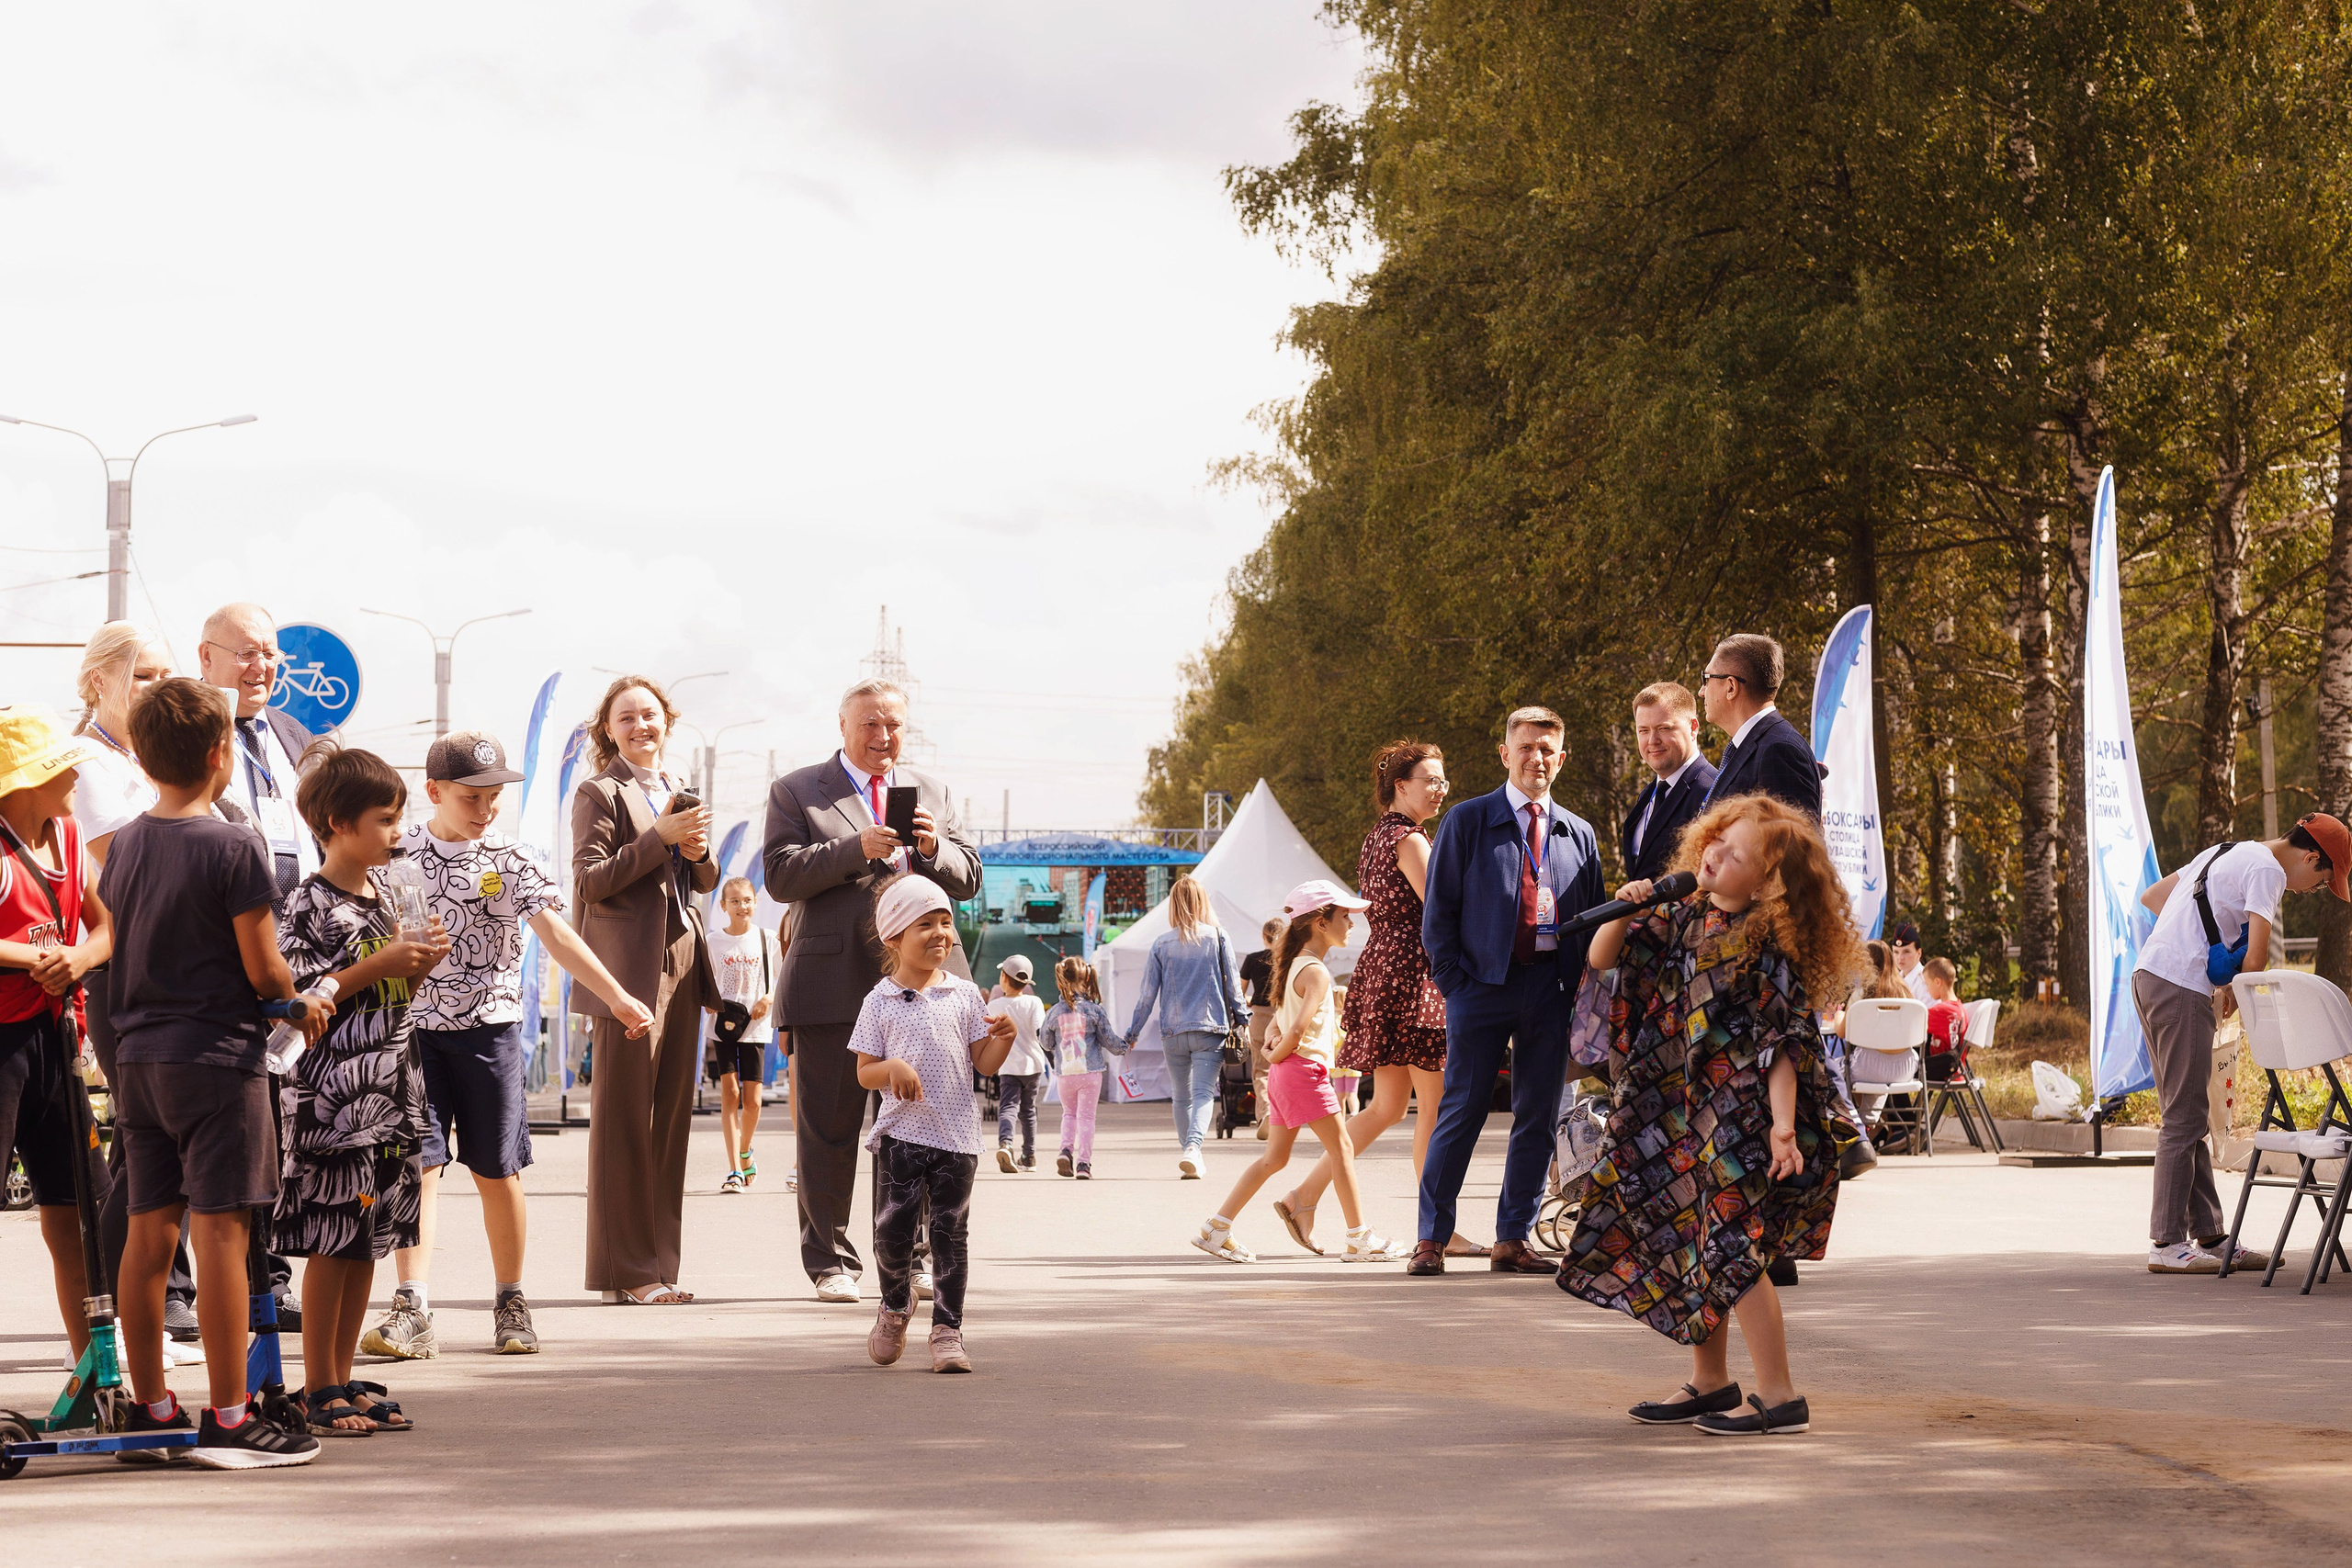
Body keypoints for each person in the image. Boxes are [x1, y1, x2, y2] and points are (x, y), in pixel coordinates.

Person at [1561, 794, 1863, 1437]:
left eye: (1735, 855)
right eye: (1716, 842)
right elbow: (1603, 957)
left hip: (1739, 1117)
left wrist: (1783, 1128)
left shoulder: (1768, 946)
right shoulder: (1683, 913)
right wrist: (1628, 904)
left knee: (1731, 1245)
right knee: (1692, 1238)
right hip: (1679, 1107)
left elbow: (1783, 1044)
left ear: (1769, 883)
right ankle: (1710, 1381)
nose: (1715, 856)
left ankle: (1780, 1396)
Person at [363, 730, 653, 1361]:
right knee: (419, 1167)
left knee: (498, 1170)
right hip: (414, 1035)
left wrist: (616, 996)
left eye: (494, 795)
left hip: (490, 1032)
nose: (485, 808)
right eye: (471, 796)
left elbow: (558, 935)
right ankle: (412, 1305)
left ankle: (511, 1300)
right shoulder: (398, 857)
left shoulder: (514, 858)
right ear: (434, 790)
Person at [104, 676, 324, 1468]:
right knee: (223, 1232)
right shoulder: (234, 845)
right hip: (217, 1059)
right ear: (221, 753)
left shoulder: (126, 842)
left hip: (138, 1057)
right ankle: (229, 1415)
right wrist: (300, 999)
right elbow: (264, 969)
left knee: (148, 1232)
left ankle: (149, 1408)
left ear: (142, 755)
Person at [763, 678, 981, 1303]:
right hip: (831, 985)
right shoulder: (797, 790)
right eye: (870, 724)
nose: (883, 736)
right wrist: (852, 848)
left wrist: (934, 849)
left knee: (922, 1130)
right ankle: (830, 1260)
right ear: (843, 725)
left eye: (894, 725)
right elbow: (779, 875)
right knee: (828, 1133)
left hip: (924, 991)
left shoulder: (932, 792)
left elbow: (969, 876)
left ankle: (913, 1256)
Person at [271, 747, 448, 1436]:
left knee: (367, 1240)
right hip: (335, 1102)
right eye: (385, 819)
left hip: (392, 1092)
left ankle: (341, 1377)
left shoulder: (386, 895)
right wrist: (382, 962)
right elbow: (303, 995)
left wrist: (418, 964)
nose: (398, 832)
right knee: (332, 1241)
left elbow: (395, 992)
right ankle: (318, 1385)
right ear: (338, 824)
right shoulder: (309, 901)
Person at [1411, 705, 1604, 1276]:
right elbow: (1438, 913)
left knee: (1538, 1116)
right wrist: (1456, 984)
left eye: (1547, 750)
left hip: (1551, 990)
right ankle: (1431, 1239)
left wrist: (1579, 992)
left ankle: (1512, 1239)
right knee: (1461, 1111)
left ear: (1561, 759)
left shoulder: (1578, 833)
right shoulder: (1467, 821)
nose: (1536, 759)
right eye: (1525, 747)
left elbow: (1593, 920)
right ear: (1505, 754)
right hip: (1480, 988)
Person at [64, 624, 199, 1359]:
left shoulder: (142, 760)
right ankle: (105, 1323)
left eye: (167, 674)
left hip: (166, 969)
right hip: (123, 970)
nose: (160, 688)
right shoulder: (89, 762)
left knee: (153, 1149)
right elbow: (127, 866)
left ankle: (129, 1317)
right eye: (144, 675)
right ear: (100, 682)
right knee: (149, 1146)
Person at [2133, 814, 2348, 1274]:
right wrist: (2232, 983)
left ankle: (2210, 1236)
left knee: (2188, 1112)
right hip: (2181, 986)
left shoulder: (2225, 851)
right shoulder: (2269, 871)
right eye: (2320, 882)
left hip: (2152, 976)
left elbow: (2154, 897)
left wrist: (2196, 937)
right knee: (2184, 1117)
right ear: (2312, 857)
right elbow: (2256, 959)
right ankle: (2166, 1244)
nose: (2310, 889)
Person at [1277, 740, 1468, 1256]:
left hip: (1385, 968)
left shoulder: (1378, 836)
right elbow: (1442, 909)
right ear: (1401, 786)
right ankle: (1439, 1230)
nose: (1440, 788)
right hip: (1414, 974)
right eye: (1431, 780)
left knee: (1386, 1106)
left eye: (1442, 779)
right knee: (1433, 1108)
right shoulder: (1410, 838)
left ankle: (1303, 1196)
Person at [571, 676, 718, 1305]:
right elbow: (589, 881)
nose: (641, 726)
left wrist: (697, 849)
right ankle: (626, 1269)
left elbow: (703, 880)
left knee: (671, 1122)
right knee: (624, 1121)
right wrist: (658, 838)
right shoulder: (599, 791)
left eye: (650, 715)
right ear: (608, 729)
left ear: (667, 722)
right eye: (626, 717)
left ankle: (659, 1262)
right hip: (627, 970)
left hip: (683, 960)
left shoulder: (676, 788)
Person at [853, 875, 1016, 1373]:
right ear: (893, 937)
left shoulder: (964, 995)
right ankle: (895, 1304)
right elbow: (865, 1073)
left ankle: (948, 1330)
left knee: (950, 1235)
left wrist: (1005, 1039)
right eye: (925, 924)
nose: (940, 933)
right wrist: (892, 1068)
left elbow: (984, 1063)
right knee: (891, 1234)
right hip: (901, 1136)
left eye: (946, 922)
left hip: (957, 1138)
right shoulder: (879, 1000)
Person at [1192, 880, 1398, 1264]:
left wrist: (1275, 1051)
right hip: (1303, 1071)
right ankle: (1358, 1238)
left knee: (1275, 1159)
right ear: (1321, 923)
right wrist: (1279, 1052)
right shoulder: (1315, 971)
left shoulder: (1295, 965)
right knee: (1342, 1149)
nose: (1352, 923)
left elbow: (1278, 1022)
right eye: (1345, 916)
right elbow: (1298, 1028)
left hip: (1288, 1073)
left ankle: (1216, 1227)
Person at [0, 707, 114, 1371]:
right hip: (5, 1045)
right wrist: (37, 958)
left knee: (75, 1212)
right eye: (61, 768)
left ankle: (95, 1371)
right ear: (26, 783)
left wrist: (79, 957)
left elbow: (108, 926)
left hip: (57, 1040)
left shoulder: (69, 836)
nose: (75, 775)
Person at [1123, 874, 1250, 1180]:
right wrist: (1243, 1020)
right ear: (1202, 902)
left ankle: (1190, 1153)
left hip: (1173, 1032)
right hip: (1210, 1030)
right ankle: (1193, 1149)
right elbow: (1234, 986)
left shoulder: (1161, 943)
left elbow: (1147, 996)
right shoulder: (1218, 936)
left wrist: (1133, 1033)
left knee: (1181, 1096)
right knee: (1204, 1093)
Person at [196, 603, 320, 905]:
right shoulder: (178, 729)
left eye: (269, 654)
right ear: (207, 656)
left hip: (306, 922)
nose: (261, 666)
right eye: (247, 654)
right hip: (222, 919)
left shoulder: (297, 736)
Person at [706, 875, 781, 1196]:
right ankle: (735, 1169)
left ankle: (745, 1148)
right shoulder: (712, 941)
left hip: (755, 1026)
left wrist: (768, 998)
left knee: (753, 1101)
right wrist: (707, 1001)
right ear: (723, 906)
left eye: (747, 900)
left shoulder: (768, 939)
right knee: (731, 1093)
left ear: (755, 902)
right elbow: (703, 980)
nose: (742, 906)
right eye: (734, 901)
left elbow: (782, 979)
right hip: (722, 1026)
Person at [1701, 634, 1824, 816]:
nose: (1701, 691)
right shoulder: (1758, 745)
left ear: (1731, 687)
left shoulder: (1779, 751)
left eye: (1706, 679)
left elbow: (1789, 833)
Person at [1622, 682, 1719, 881]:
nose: (1652, 740)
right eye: (1644, 730)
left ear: (1693, 728)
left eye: (1664, 728)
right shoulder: (1648, 795)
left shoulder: (1715, 791)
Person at [1043, 956, 1122, 1177]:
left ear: (1060, 980)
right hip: (1090, 1073)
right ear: (1087, 978)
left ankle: (1065, 1151)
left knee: (1069, 1114)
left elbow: (1046, 1043)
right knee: (1086, 1118)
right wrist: (1125, 1046)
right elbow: (1109, 1041)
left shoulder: (1054, 1012)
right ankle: (1083, 1165)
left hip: (1065, 1073)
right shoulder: (1095, 1010)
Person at [988, 954, 1047, 1171]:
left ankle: (1006, 1144)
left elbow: (988, 1035)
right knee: (1029, 1111)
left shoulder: (994, 1005)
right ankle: (1029, 1156)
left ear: (1004, 978)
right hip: (1033, 1066)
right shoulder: (1035, 1002)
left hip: (1008, 1066)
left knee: (1008, 1107)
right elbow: (1041, 1032)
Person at [1238, 917, 1283, 1140]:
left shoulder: (1252, 959)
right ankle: (1283, 1115)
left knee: (1261, 1070)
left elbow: (1240, 992)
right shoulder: (1290, 959)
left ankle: (1266, 1113)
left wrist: (1249, 1001)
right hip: (1283, 1016)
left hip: (1259, 1016)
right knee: (1284, 1068)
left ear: (1264, 936)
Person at [1921, 957, 1967, 1082]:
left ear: (1937, 982)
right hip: (1955, 1069)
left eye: (1927, 984)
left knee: (1899, 1067)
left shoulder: (1941, 1011)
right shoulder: (1958, 1007)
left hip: (1944, 1070)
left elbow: (1913, 1025)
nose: (1927, 989)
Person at [1886, 920, 1930, 1001]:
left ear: (1919, 953)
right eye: (1896, 952)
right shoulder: (1896, 979)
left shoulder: (1926, 981)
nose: (1900, 957)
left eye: (1906, 952)